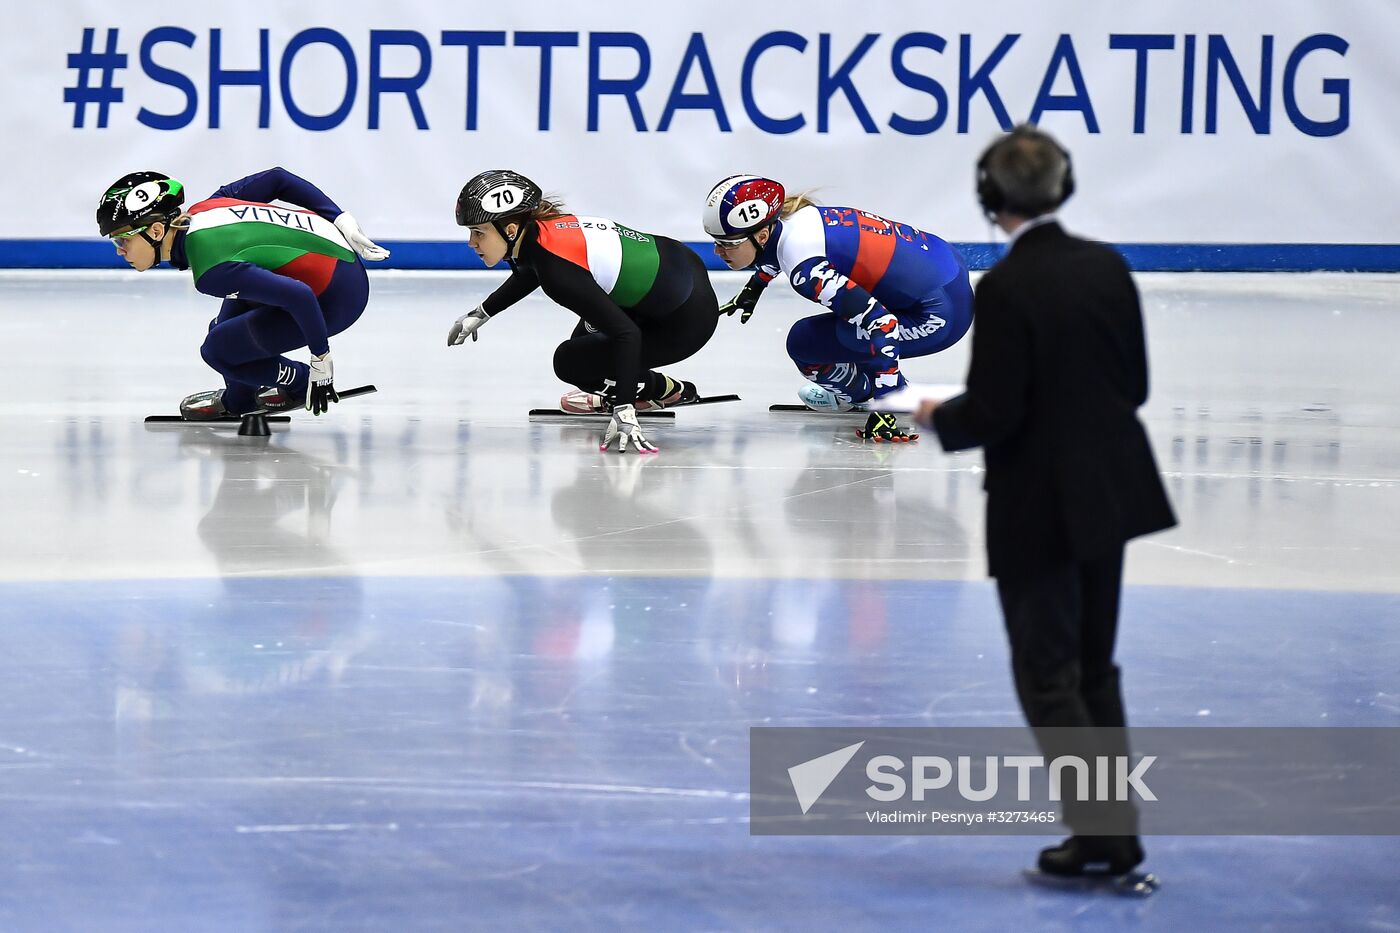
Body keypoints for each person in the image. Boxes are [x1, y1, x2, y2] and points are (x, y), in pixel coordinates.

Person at [915, 125, 1176, 879]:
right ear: (1064, 186)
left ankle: (1103, 834)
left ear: (987, 197)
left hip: (1040, 502)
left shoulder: (1007, 288)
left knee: (1048, 673)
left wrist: (939, 416)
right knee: (1095, 667)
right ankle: (1111, 832)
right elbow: (1135, 386)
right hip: (1113, 492)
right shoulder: (1107, 268)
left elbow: (995, 412)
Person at [448, 170, 720, 454]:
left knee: (571, 363)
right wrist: (482, 312)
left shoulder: (556, 272)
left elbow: (626, 333)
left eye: (478, 232)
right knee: (584, 342)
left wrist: (624, 409)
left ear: (511, 229)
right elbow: (531, 271)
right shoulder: (543, 232)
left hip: (685, 320)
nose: (471, 242)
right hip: (679, 266)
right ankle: (624, 382)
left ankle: (662, 389)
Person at [96, 168, 388, 418]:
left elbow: (299, 296)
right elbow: (278, 178)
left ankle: (299, 382)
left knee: (218, 351)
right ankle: (240, 402)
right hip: (331, 261)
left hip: (337, 296)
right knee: (223, 332)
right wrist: (338, 217)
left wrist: (320, 361)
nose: (121, 251)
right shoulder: (209, 206)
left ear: (157, 231)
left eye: (122, 240)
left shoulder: (211, 270)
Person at [703, 174, 973, 441]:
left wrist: (884, 408)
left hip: (939, 316)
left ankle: (866, 396)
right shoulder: (795, 219)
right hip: (943, 267)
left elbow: (884, 324)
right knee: (849, 316)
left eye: (727, 243)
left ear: (762, 235)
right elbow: (773, 254)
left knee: (805, 342)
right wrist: (755, 287)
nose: (718, 251)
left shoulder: (806, 272)